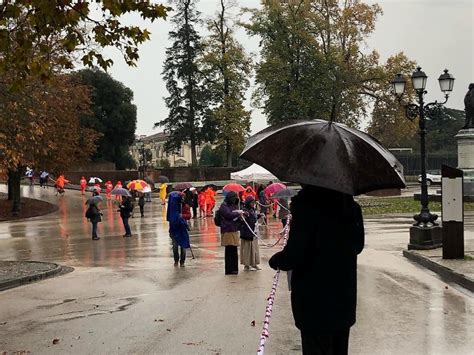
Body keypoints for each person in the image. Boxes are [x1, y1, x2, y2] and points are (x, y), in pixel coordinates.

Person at [269, 185, 365, 355]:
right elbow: (358, 246)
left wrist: (276, 260)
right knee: (339, 348)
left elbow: (295, 254)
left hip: (314, 301)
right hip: (343, 296)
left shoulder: (306, 208)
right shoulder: (350, 207)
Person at [219, 191, 243, 275]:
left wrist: (237, 207)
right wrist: (237, 213)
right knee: (229, 250)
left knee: (234, 250)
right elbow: (228, 215)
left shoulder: (231, 205)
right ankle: (229, 269)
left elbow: (234, 212)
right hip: (227, 230)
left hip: (233, 229)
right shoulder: (224, 206)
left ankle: (234, 268)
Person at [167, 191, 191, 267]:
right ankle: (176, 260)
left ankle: (182, 261)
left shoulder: (185, 206)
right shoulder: (172, 208)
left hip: (182, 228)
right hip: (174, 229)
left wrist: (182, 216)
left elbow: (188, 216)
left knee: (183, 246)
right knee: (175, 246)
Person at [239, 196, 261, 271]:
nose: (253, 204)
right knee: (247, 250)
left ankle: (254, 263)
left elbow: (253, 218)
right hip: (247, 233)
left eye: (253, 202)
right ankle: (247, 265)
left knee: (254, 249)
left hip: (253, 232)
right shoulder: (245, 210)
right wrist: (243, 215)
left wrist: (259, 216)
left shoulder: (252, 209)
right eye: (251, 202)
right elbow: (242, 219)